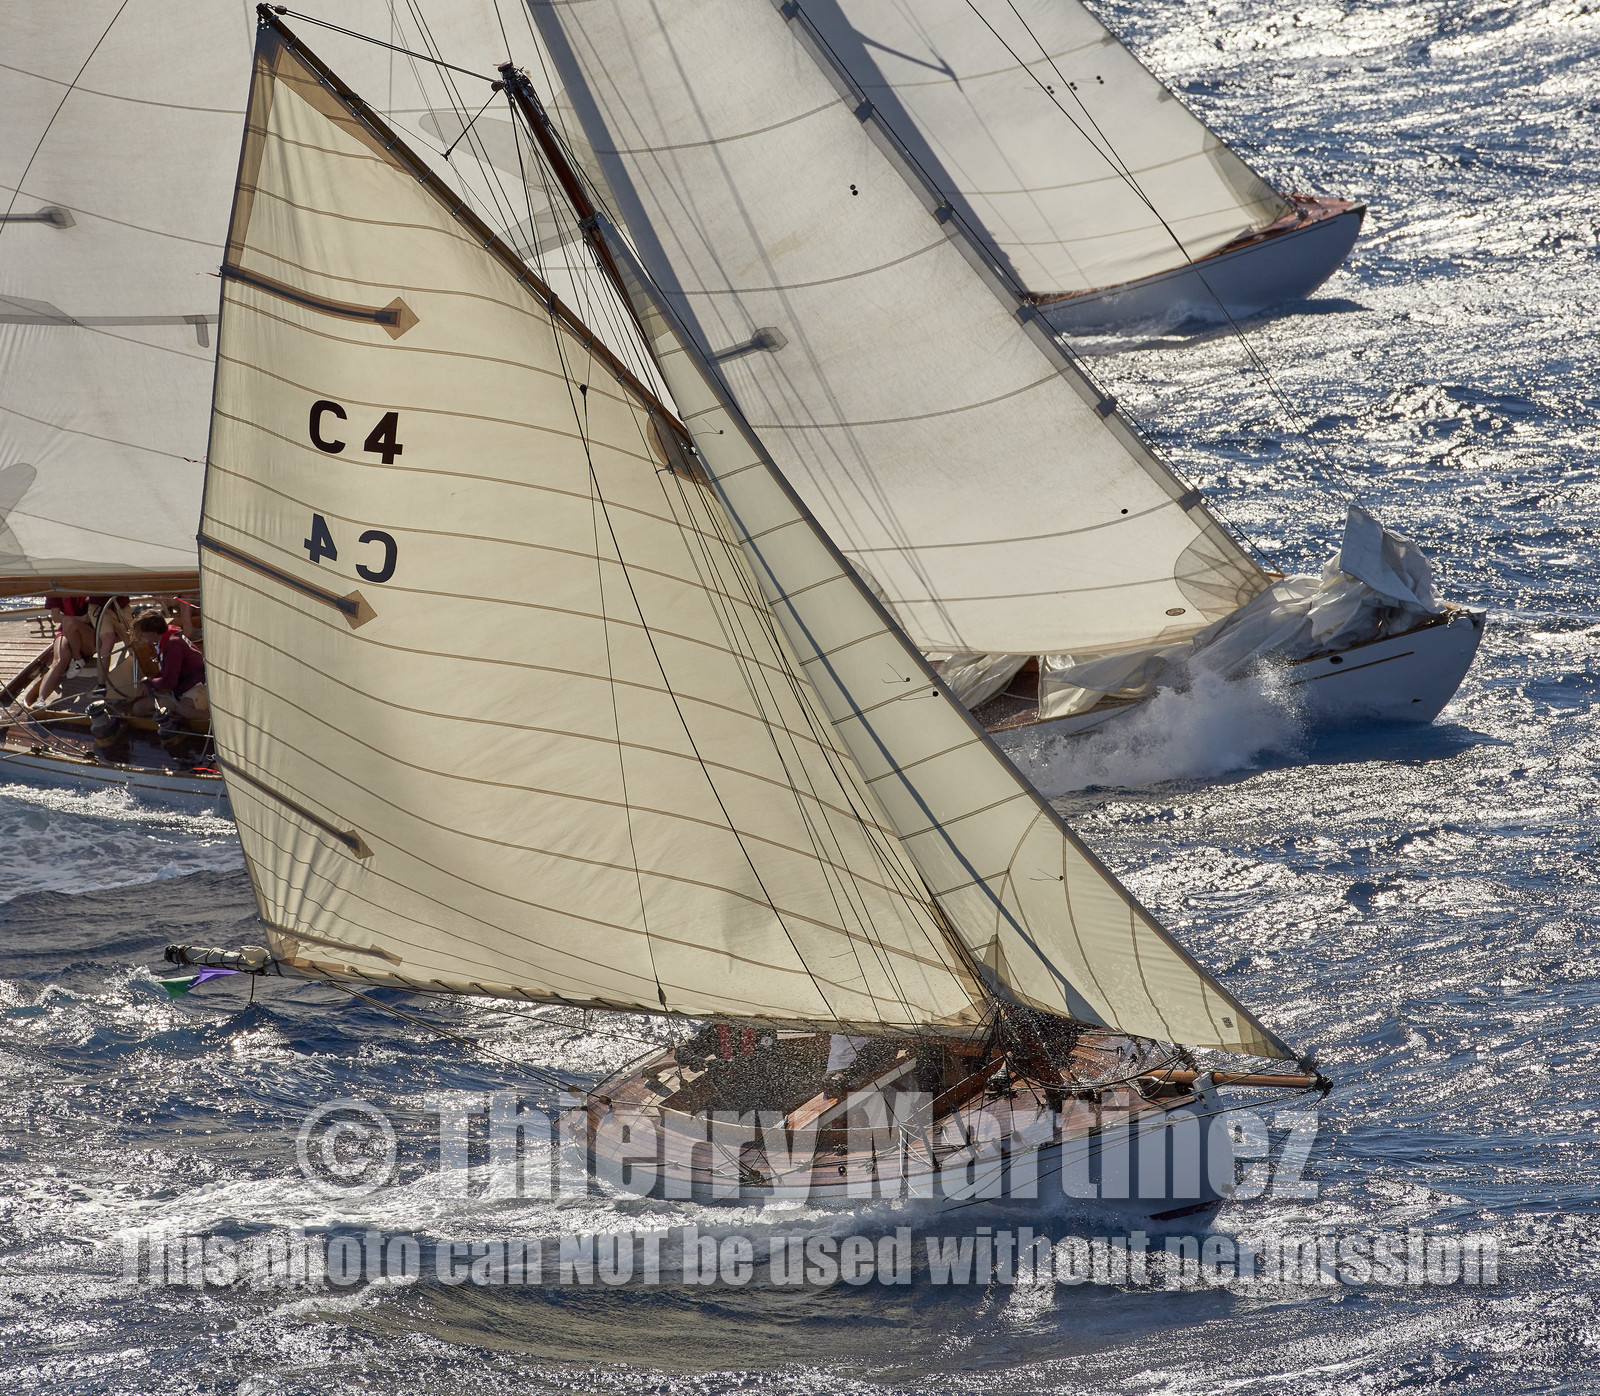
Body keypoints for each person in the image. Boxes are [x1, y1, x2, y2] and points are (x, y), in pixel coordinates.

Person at [124, 608, 208, 725]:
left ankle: (215, 724)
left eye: (143, 633)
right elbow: (168, 673)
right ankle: (175, 718)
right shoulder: (166, 638)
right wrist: (151, 685)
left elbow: (169, 681)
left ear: (152, 633)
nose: (143, 636)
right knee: (139, 708)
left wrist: (149, 682)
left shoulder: (173, 645)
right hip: (179, 689)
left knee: (185, 710)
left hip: (196, 686)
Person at [28, 595, 97, 707]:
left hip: (87, 634)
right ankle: (41, 700)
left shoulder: (88, 586)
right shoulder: (57, 588)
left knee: (68, 622)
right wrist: (79, 619)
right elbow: (56, 617)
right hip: (66, 631)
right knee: (58, 661)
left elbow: (90, 617)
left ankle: (77, 658)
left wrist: (72, 620)